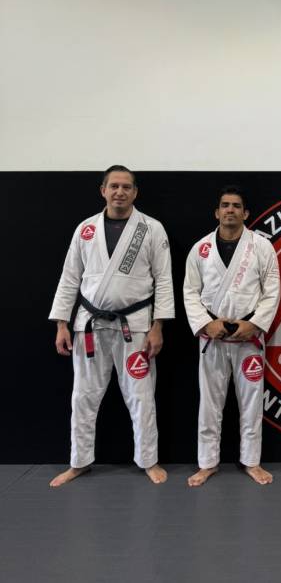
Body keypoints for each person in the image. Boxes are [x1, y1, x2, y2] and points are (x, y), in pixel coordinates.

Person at [49, 165, 174, 487]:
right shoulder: (85, 229)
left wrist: (158, 326)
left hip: (136, 326)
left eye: (126, 187)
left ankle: (148, 460)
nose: (120, 192)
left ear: (135, 192)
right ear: (103, 190)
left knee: (141, 396)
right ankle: (79, 462)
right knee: (83, 396)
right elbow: (69, 278)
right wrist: (62, 324)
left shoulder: (151, 228)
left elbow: (163, 280)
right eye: (114, 186)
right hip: (89, 325)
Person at [183, 186, 280, 486]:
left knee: (251, 402)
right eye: (225, 205)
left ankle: (252, 461)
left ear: (245, 213)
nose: (230, 210)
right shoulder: (200, 249)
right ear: (217, 212)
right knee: (209, 403)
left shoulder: (262, 247)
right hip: (212, 336)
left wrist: (256, 324)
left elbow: (272, 291)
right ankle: (207, 463)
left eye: (236, 206)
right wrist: (204, 324)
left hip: (249, 337)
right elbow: (190, 292)